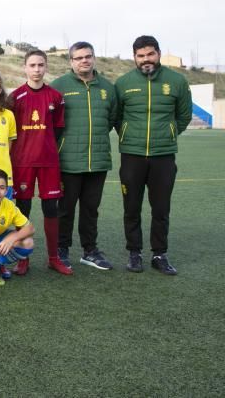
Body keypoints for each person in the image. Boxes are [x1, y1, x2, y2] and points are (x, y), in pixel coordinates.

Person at [115, 35, 192, 275]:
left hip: (163, 156)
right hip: (132, 155)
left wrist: (168, 134)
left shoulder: (177, 81)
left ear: (158, 53)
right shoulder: (123, 83)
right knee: (131, 207)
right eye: (140, 55)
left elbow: (184, 116)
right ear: (134, 58)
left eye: (150, 54)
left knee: (160, 208)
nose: (145, 59)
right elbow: (117, 117)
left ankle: (159, 254)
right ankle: (134, 253)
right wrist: (129, 135)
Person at [51, 42, 118, 271]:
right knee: (65, 208)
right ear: (71, 61)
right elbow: (52, 123)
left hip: (98, 160)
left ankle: (90, 251)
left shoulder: (108, 88)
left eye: (88, 56)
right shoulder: (58, 86)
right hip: (68, 161)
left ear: (94, 58)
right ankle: (61, 249)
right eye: (78, 58)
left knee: (91, 209)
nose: (84, 61)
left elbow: (111, 119)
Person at [8, 50, 71, 275]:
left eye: (40, 65)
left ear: (46, 67)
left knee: (51, 208)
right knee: (22, 209)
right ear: (24, 67)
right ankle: (23, 259)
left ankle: (53, 258)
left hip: (49, 162)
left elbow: (59, 129)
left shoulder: (55, 97)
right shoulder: (15, 98)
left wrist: (45, 147)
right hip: (22, 162)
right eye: (32, 65)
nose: (36, 70)